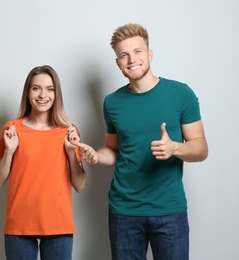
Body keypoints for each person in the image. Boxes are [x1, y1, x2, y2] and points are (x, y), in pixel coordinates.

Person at [73, 23, 208, 260]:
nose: (131, 59)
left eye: (137, 51)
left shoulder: (181, 94)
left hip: (169, 210)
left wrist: (175, 147)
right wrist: (96, 156)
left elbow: (201, 149)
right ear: (117, 62)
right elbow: (113, 150)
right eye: (123, 55)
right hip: (124, 211)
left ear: (149, 54)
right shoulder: (112, 102)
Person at [0, 65, 87, 260]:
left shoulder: (68, 132)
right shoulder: (12, 129)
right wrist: (9, 151)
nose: (43, 95)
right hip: (19, 225)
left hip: (58, 225)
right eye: (36, 88)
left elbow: (80, 185)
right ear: (27, 92)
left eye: (50, 89)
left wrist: (71, 152)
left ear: (56, 94)